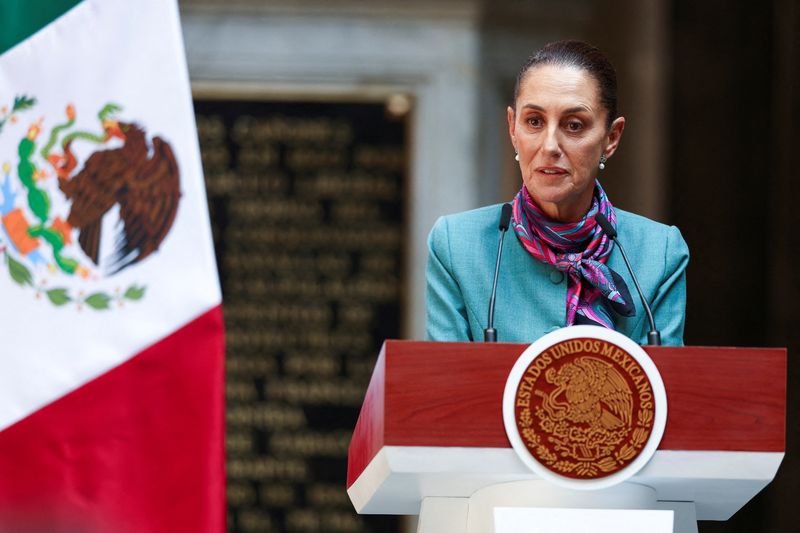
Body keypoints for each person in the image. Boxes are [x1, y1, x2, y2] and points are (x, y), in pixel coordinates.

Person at [425, 40, 689, 345]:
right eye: (534, 122)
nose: (550, 146)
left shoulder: (661, 253)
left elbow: (663, 388)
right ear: (513, 128)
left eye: (574, 125)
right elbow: (446, 386)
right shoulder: (456, 245)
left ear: (611, 138)